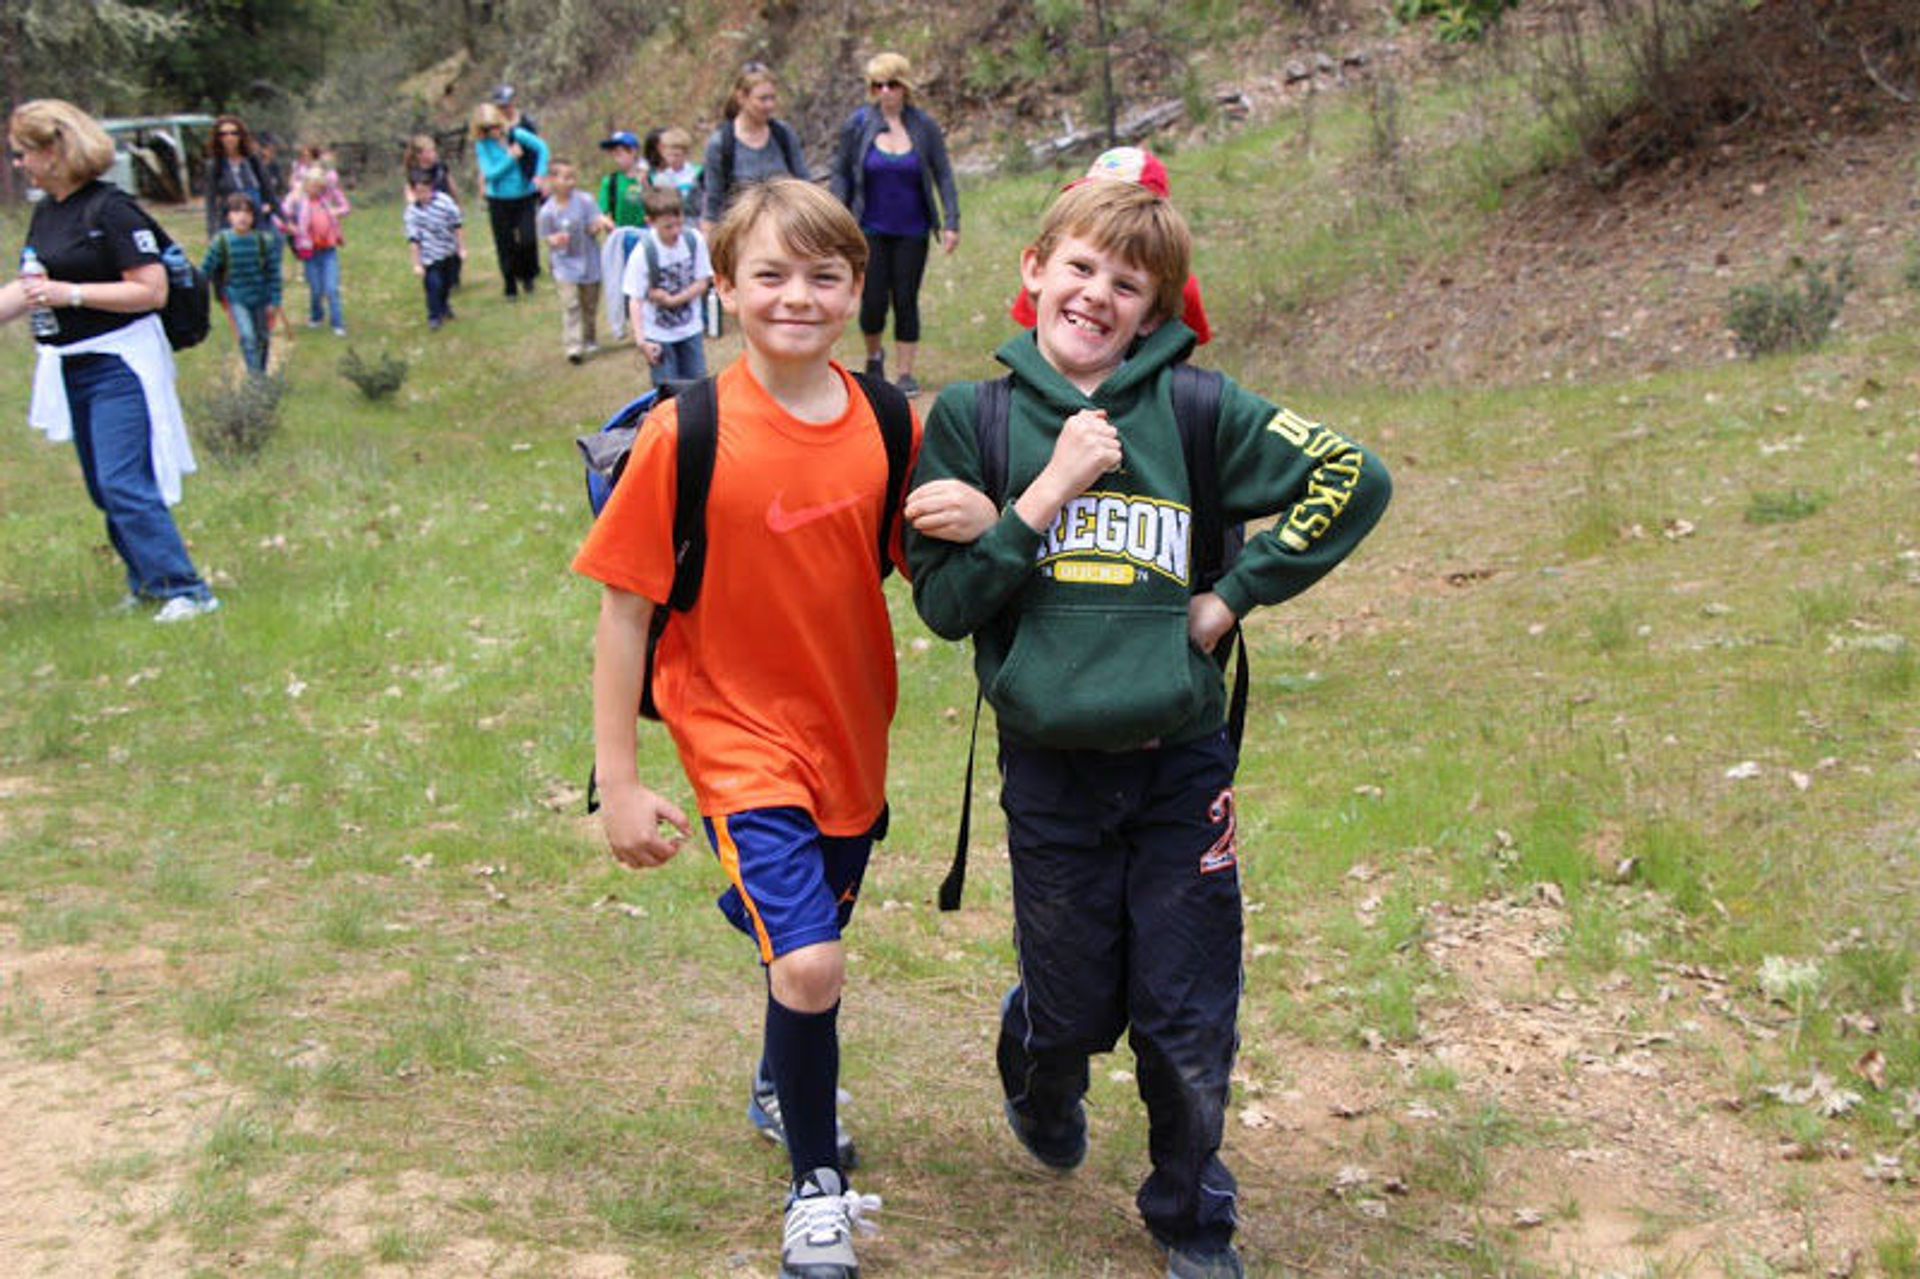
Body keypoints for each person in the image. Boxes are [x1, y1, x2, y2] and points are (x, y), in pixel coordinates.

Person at [902, 181, 1391, 1279]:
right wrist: (1034, 505)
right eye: (1081, 268)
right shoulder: (969, 424)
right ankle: (1038, 1053)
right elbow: (942, 607)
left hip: (1178, 765)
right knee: (1073, 1000)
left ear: (1157, 307)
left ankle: (1191, 1214)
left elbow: (1354, 474)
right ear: (1034, 269)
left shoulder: (1200, 410)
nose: (1099, 294)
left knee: (1186, 1010)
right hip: (1053, 768)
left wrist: (1231, 598)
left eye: (1130, 284)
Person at [574, 178, 923, 1279]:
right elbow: (625, 611)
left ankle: (783, 1071)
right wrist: (619, 783)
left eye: (824, 275)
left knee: (800, 948)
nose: (797, 296)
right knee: (812, 959)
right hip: (733, 735)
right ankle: (816, 1191)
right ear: (723, 289)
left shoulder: (890, 419)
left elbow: (949, 576)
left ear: (856, 287)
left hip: (852, 739)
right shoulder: (688, 432)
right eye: (769, 275)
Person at [2, 99, 220, 622]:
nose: (18, 164)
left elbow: (151, 290)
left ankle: (185, 588)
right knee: (103, 484)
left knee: (126, 480)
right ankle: (144, 582)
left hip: (120, 362)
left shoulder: (112, 210)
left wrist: (70, 294)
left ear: (53, 151)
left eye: (23, 154)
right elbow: (32, 288)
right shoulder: (48, 212)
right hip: (69, 362)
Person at [829, 51, 960, 398]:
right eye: (877, 85)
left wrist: (951, 221)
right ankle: (874, 357)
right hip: (868, 229)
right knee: (872, 301)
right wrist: (837, 214)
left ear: (904, 87)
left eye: (891, 84)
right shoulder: (858, 125)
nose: (884, 92)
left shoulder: (923, 126)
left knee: (906, 299)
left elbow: (943, 174)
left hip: (912, 230)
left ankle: (904, 373)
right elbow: (841, 172)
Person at [1009, 146, 1213, 346]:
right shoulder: (1055, 272)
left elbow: (1185, 348)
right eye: (1090, 198)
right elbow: (1034, 337)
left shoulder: (1181, 285)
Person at [700, 65, 809, 236]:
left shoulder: (783, 134)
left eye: (773, 98)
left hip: (785, 232)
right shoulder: (721, 144)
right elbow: (713, 201)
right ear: (742, 98)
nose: (769, 105)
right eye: (763, 99)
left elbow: (804, 184)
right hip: (742, 235)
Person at [621, 186, 712, 386]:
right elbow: (635, 300)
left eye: (679, 223)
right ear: (650, 222)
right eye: (668, 227)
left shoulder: (693, 240)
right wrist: (641, 340)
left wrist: (673, 300)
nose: (676, 231)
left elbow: (702, 282)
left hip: (690, 330)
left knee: (697, 386)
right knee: (667, 390)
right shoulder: (643, 253)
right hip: (658, 334)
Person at [472, 101, 548, 299]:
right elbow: (490, 173)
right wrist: (510, 158)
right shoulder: (482, 146)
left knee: (528, 238)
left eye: (496, 126)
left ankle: (528, 275)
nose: (494, 132)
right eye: (487, 129)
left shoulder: (516, 134)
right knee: (505, 243)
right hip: (498, 199)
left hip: (524, 195)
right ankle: (510, 284)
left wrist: (539, 174)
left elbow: (542, 148)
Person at [202, 193, 283, 375]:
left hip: (261, 297)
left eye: (247, 212)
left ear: (254, 217)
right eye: (237, 211)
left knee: (262, 337)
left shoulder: (264, 241)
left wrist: (275, 301)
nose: (242, 217)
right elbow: (206, 270)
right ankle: (255, 379)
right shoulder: (221, 242)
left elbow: (274, 274)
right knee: (247, 337)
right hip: (236, 297)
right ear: (229, 216)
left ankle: (260, 372)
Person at [536, 159, 603, 363]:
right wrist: (554, 240)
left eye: (573, 177)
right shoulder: (548, 211)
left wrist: (595, 228)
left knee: (589, 305)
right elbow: (546, 236)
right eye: (565, 177)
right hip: (564, 265)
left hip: (589, 260)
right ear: (553, 180)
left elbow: (594, 223)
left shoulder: (585, 201)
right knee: (571, 304)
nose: (570, 182)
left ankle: (589, 337)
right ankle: (573, 347)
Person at [283, 168, 351, 335]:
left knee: (331, 288)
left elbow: (345, 207)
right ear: (306, 186)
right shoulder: (299, 201)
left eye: (319, 187)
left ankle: (338, 322)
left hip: (328, 250)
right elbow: (283, 213)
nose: (315, 190)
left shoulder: (325, 202)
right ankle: (316, 315)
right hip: (309, 252)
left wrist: (336, 212)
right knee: (316, 288)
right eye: (312, 186)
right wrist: (291, 228)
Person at [202, 113, 284, 242]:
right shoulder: (214, 165)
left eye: (234, 133)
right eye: (223, 134)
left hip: (257, 217)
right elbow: (211, 201)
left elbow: (268, 190)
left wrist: (282, 216)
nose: (229, 137)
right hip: (232, 219)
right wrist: (212, 231)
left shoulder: (252, 160)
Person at [403, 171, 465, 331]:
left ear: (431, 188)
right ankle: (434, 316)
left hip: (448, 251)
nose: (422, 196)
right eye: (418, 192)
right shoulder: (412, 212)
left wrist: (461, 247)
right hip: (429, 256)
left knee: (447, 283)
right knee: (433, 284)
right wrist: (416, 263)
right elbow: (413, 239)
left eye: (425, 191)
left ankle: (444, 305)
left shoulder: (445, 202)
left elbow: (457, 225)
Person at [595, 129, 651, 231]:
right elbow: (600, 212)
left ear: (633, 151)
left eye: (619, 153)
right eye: (613, 154)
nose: (616, 158)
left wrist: (645, 184)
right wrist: (608, 223)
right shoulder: (610, 182)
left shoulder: (650, 178)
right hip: (620, 232)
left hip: (646, 233)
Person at [649, 126, 704, 210]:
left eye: (677, 155)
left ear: (686, 154)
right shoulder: (660, 177)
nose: (673, 159)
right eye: (669, 155)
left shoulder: (696, 172)